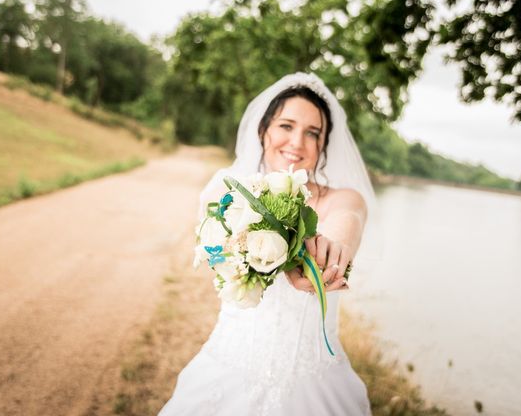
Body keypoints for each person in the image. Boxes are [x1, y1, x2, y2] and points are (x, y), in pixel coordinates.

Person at [158, 72, 376, 416]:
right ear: (264, 131)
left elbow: (345, 224)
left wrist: (326, 254)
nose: (297, 142)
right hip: (227, 369)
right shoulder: (226, 192)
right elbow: (222, 253)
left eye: (312, 133)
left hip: (314, 387)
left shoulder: (344, 199)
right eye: (286, 126)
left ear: (323, 145)